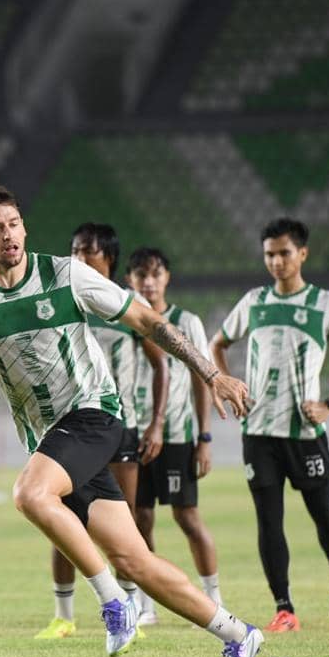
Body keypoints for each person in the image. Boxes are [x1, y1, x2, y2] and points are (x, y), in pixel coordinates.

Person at [0, 183, 263, 657]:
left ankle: (114, 604)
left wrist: (211, 374)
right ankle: (239, 635)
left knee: (29, 494)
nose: (8, 234)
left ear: (25, 227)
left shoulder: (65, 275)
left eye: (14, 223)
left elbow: (148, 321)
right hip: (52, 438)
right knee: (135, 561)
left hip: (95, 413)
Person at [210, 217, 329, 632]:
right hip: (258, 431)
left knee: (325, 514)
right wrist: (227, 383)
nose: (276, 262)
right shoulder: (254, 302)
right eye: (269, 255)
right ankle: (284, 609)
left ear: (303, 254)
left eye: (284, 253)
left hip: (304, 432)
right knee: (269, 521)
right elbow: (217, 343)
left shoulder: (326, 304)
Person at [33, 223, 169, 640]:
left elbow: (160, 364)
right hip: (72, 427)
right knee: (63, 518)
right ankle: (63, 616)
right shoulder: (62, 300)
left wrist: (156, 422)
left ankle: (130, 610)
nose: (79, 258)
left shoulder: (125, 304)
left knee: (126, 523)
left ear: (108, 257)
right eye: (75, 250)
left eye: (88, 251)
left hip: (119, 425)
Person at [125, 248, 224, 626]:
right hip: (134, 433)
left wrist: (204, 437)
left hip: (178, 434)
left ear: (167, 277)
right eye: (140, 275)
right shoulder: (124, 318)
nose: (148, 282)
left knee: (187, 517)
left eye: (155, 274)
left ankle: (214, 599)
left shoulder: (186, 322)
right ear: (130, 280)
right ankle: (146, 606)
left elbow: (202, 379)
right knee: (139, 519)